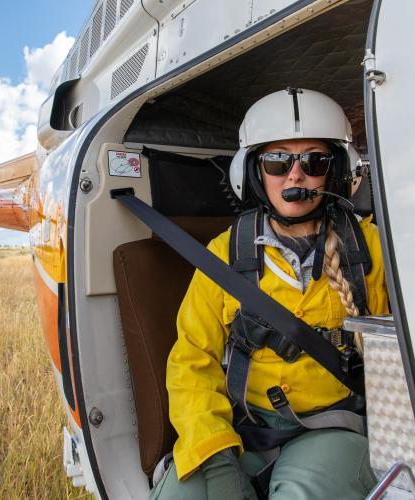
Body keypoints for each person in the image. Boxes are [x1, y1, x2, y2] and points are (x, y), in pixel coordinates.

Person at [150, 88, 390, 499]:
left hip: (334, 426)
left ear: (334, 172)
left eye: (313, 161)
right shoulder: (224, 253)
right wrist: (216, 453)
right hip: (245, 427)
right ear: (255, 172)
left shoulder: (372, 247)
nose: (294, 176)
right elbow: (192, 361)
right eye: (277, 161)